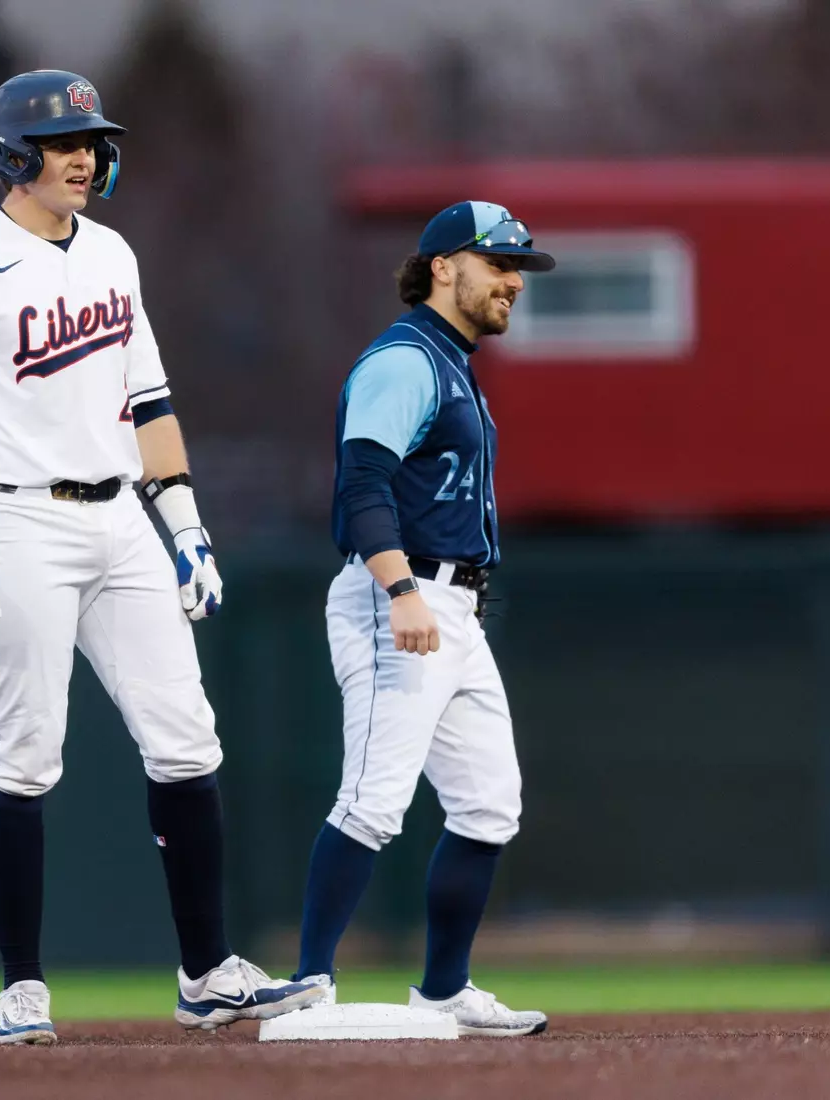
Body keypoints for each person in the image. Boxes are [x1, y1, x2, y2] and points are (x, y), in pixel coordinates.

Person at [0, 69, 322, 1044]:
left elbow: (150, 403)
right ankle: (22, 985)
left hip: (119, 514)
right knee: (28, 751)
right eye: (62, 140)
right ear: (12, 153)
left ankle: (206, 971)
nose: (84, 154)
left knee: (187, 737)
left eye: (91, 138)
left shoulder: (114, 256)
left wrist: (189, 526)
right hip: (15, 518)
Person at [291, 202, 554, 1037]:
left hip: (455, 603)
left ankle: (444, 990)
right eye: (498, 262)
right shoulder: (405, 362)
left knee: (488, 805)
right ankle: (308, 983)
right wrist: (401, 589)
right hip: (397, 593)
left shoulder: (453, 363)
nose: (514, 279)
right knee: (373, 800)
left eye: (519, 267)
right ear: (444, 267)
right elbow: (362, 485)